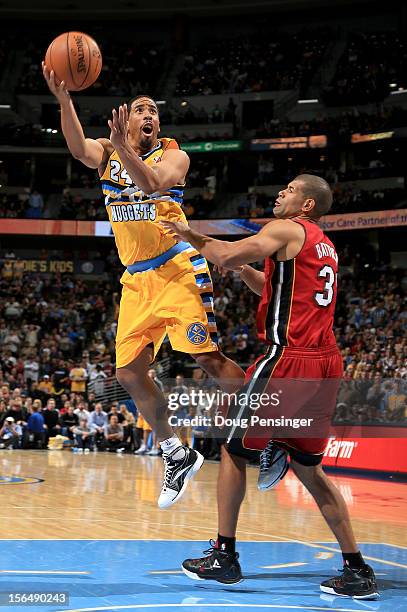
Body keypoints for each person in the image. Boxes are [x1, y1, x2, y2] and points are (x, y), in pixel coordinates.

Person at [162, 174, 379, 599]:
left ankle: (224, 556)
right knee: (310, 469)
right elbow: (277, 288)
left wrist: (187, 232)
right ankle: (357, 568)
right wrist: (244, 268)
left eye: (292, 189)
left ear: (307, 205)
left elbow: (221, 254)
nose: (282, 192)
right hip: (326, 365)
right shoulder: (323, 244)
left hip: (287, 359)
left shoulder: (284, 228)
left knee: (232, 446)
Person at [42, 66, 245, 508]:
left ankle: (266, 432)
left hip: (176, 267)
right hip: (136, 279)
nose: (149, 114)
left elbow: (152, 184)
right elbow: (78, 149)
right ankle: (176, 452)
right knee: (128, 373)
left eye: (154, 110)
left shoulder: (175, 155)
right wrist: (64, 101)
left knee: (207, 357)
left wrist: (118, 145)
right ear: (127, 120)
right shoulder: (107, 151)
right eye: (140, 110)